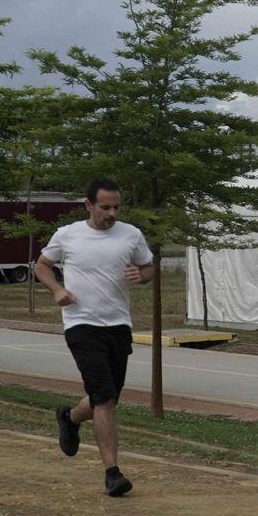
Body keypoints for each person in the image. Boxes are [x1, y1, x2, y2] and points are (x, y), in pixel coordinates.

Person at [35, 178, 154, 497]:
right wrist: (57, 289)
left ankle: (70, 418)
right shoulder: (68, 235)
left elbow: (149, 268)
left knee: (110, 397)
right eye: (105, 207)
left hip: (118, 325)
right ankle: (112, 473)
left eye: (116, 207)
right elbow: (42, 265)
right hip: (81, 325)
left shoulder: (131, 234)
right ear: (89, 205)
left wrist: (140, 276)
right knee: (103, 397)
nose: (112, 213)